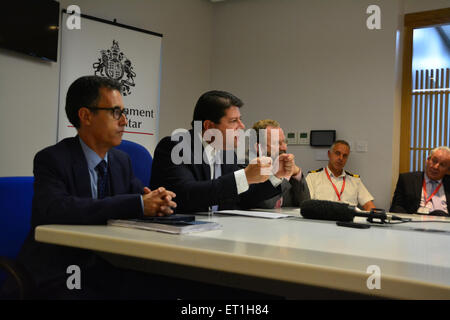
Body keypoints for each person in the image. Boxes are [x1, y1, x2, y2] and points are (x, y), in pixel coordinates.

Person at [8, 75, 177, 299]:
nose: (124, 120)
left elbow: (139, 198)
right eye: (116, 112)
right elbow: (56, 208)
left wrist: (159, 201)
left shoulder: (122, 161)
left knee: (168, 287)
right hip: (63, 269)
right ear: (86, 116)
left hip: (108, 264)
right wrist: (137, 204)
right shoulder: (52, 159)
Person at [150, 90, 297, 213]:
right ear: (209, 126)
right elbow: (187, 194)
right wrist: (244, 177)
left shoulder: (227, 153)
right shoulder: (175, 146)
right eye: (233, 121)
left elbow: (245, 197)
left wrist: (277, 176)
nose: (242, 126)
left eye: (240, 119)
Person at [250, 119, 310, 208]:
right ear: (259, 148)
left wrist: (296, 174)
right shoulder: (247, 167)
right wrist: (283, 175)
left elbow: (305, 204)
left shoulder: (282, 163)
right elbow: (266, 205)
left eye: (285, 141)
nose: (284, 147)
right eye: (276, 143)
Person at [305, 140, 375, 211]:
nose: (341, 158)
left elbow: (369, 206)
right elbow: (306, 205)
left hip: (347, 221)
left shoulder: (355, 181)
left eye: (345, 156)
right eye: (337, 153)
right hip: (322, 220)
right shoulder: (312, 177)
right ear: (329, 154)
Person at [390, 146, 450, 215]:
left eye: (442, 165)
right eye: (434, 161)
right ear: (427, 160)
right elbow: (396, 208)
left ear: (448, 170)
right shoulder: (407, 179)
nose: (436, 167)